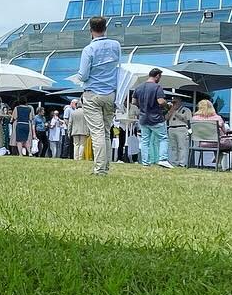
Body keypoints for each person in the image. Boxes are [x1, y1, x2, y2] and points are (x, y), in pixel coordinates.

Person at [75, 16, 121, 176]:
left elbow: (83, 74)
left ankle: (100, 169)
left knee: (97, 132)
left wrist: (79, 77)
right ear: (105, 28)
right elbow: (117, 67)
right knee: (106, 131)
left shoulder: (88, 49)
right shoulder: (116, 45)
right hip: (110, 93)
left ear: (90, 30)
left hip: (93, 94)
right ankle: (105, 166)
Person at [132, 70, 169, 169]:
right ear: (157, 76)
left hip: (143, 118)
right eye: (160, 77)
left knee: (145, 140)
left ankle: (145, 162)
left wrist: (142, 106)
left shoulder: (139, 87)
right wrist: (167, 104)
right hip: (156, 117)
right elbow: (161, 101)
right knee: (163, 138)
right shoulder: (157, 87)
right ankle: (163, 159)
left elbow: (134, 101)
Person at [166, 93, 192, 168]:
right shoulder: (171, 110)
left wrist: (176, 113)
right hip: (171, 128)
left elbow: (188, 121)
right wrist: (171, 111)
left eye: (175, 102)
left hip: (181, 128)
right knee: (173, 147)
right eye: (173, 102)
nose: (173, 104)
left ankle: (182, 163)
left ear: (180, 101)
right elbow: (166, 118)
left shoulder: (186, 110)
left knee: (181, 146)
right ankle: (174, 162)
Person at [67, 93, 89, 162]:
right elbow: (88, 123)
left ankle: (75, 158)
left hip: (75, 131)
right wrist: (89, 131)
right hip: (83, 130)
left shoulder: (73, 113)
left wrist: (68, 132)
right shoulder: (86, 113)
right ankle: (80, 158)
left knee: (76, 144)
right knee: (82, 145)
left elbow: (70, 123)